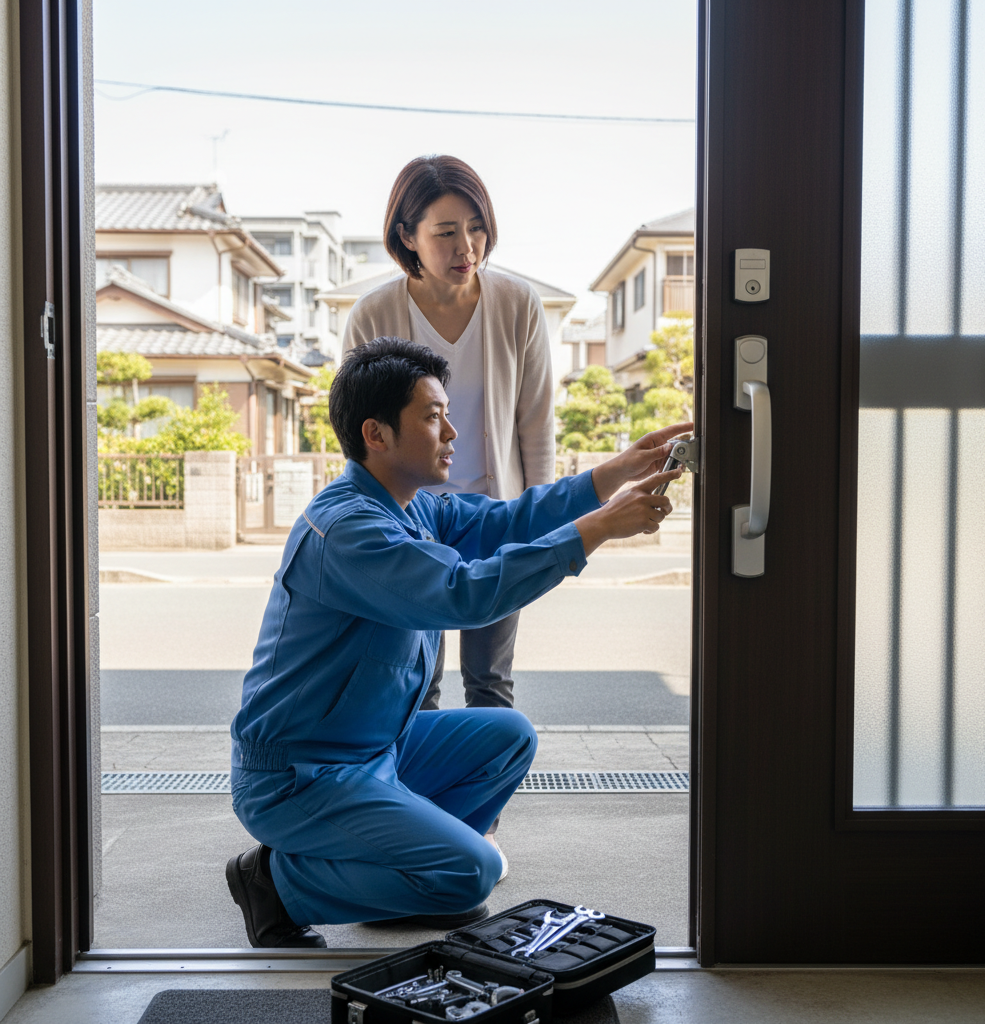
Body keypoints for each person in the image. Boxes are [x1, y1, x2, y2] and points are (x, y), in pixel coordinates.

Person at [225, 337, 687, 947]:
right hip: (301, 774)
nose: (452, 432)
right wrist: (599, 527)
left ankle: (395, 880)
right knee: (476, 872)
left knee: (508, 734)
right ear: (377, 434)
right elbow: (462, 594)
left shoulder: (411, 508)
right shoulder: (348, 530)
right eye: (432, 415)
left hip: (375, 752)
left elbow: (507, 520)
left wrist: (616, 472)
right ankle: (276, 885)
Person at [343, 156, 552, 717]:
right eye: (446, 232)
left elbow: (534, 420)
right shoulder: (373, 314)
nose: (468, 247)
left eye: (477, 227)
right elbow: (360, 438)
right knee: (417, 690)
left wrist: (538, 518)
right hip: (410, 530)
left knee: (491, 686)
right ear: (407, 235)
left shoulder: (516, 304)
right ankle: (420, 808)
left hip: (494, 520)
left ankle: (481, 808)